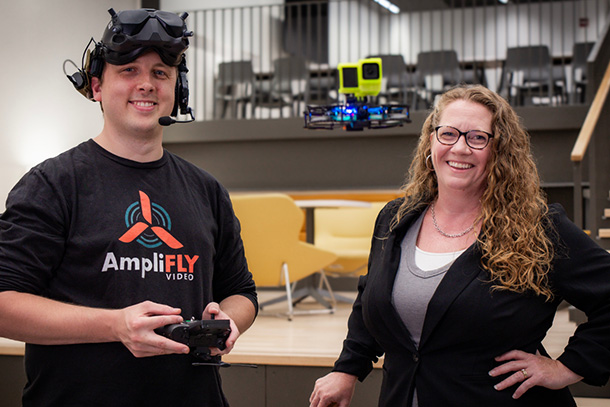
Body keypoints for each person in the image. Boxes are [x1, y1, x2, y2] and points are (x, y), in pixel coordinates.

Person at [0, 8, 257, 407]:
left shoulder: (207, 189)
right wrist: (116, 325)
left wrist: (227, 320)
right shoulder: (52, 184)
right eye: (129, 71)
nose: (147, 84)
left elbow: (241, 292)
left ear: (177, 90)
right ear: (97, 87)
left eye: (160, 73)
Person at [309, 84, 610, 407]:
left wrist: (567, 367)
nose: (460, 148)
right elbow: (369, 298)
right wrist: (347, 369)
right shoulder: (395, 219)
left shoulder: (539, 228)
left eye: (477, 137)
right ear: (431, 141)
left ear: (500, 150)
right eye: (448, 133)